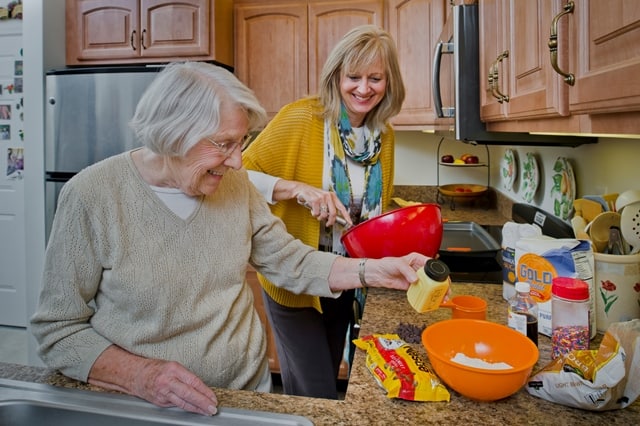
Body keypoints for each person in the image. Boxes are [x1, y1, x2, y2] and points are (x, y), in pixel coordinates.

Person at [30, 61, 425, 416]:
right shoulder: (92, 195)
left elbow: (291, 262)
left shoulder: (235, 185)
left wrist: (374, 270)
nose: (238, 162)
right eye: (224, 144)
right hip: (141, 407)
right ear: (174, 133)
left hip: (243, 398)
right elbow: (58, 330)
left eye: (242, 143)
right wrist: (142, 376)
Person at [242, 25, 406, 399]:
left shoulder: (385, 135)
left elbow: (375, 216)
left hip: (348, 279)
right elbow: (238, 174)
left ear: (388, 81)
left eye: (375, 78)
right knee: (314, 394)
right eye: (354, 77)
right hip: (294, 280)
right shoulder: (302, 119)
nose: (364, 88)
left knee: (330, 383)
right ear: (336, 77)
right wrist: (297, 190)